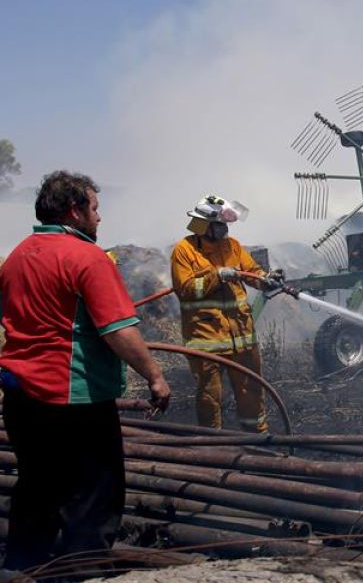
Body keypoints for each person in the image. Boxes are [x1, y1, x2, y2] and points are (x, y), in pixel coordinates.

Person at [0, 170, 171, 572]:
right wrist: (155, 376)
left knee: (37, 488)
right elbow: (119, 331)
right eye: (95, 209)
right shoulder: (88, 258)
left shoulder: (18, 256)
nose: (99, 218)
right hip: (74, 400)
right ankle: (84, 574)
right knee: (93, 498)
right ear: (75, 211)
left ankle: (21, 569)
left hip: (22, 398)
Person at [170, 194, 277, 434]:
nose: (225, 230)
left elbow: (252, 272)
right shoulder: (184, 251)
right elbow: (186, 290)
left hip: (242, 337)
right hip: (207, 339)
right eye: (220, 225)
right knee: (211, 397)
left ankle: (257, 439)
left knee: (251, 390)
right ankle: (212, 444)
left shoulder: (233, 246)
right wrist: (217, 276)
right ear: (204, 225)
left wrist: (266, 280)